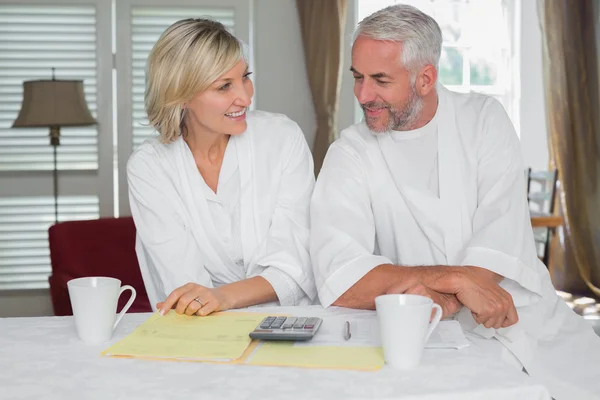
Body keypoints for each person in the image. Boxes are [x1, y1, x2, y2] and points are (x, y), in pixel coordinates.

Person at [310, 5, 600, 400]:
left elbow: (500, 235)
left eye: (380, 80)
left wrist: (447, 287)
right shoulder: (349, 153)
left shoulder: (484, 120)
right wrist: (456, 281)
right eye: (358, 78)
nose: (363, 95)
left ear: (425, 78)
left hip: (525, 318)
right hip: (427, 334)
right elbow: (341, 276)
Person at [128, 18, 316, 318]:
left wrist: (221, 297)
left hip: (290, 324)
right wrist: (212, 301)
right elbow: (184, 289)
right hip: (202, 333)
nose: (245, 96)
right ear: (181, 95)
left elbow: (297, 262)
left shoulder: (282, 138)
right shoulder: (150, 168)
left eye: (245, 76)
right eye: (224, 86)